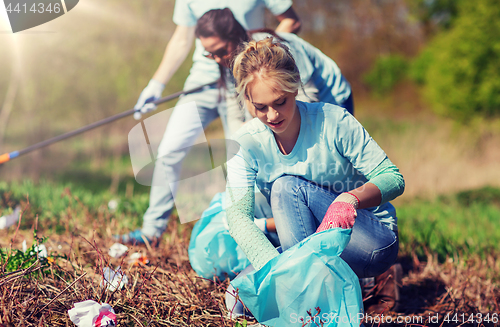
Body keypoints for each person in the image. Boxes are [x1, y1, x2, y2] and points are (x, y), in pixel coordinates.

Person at [224, 38, 405, 313]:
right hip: (306, 249)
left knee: (285, 188)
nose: (272, 115)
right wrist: (275, 269)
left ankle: (315, 300)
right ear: (247, 100)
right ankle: (315, 286)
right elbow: (238, 217)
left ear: (295, 85)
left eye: (280, 102)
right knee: (236, 299)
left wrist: (350, 199)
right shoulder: (245, 144)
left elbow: (392, 177)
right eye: (261, 107)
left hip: (367, 240)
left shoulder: (333, 121)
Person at [118, 0, 301, 244]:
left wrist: (262, 57)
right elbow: (182, 39)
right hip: (200, 83)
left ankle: (261, 231)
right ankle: (151, 231)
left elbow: (291, 20)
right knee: (168, 151)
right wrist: (157, 83)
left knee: (245, 157)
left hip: (244, 81)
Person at [195, 8, 354, 137]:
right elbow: (233, 108)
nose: (217, 59)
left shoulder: (276, 50)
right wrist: (241, 136)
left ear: (235, 36)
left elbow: (308, 95)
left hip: (331, 99)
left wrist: (263, 128)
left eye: (221, 50)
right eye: (210, 54)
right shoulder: (228, 63)